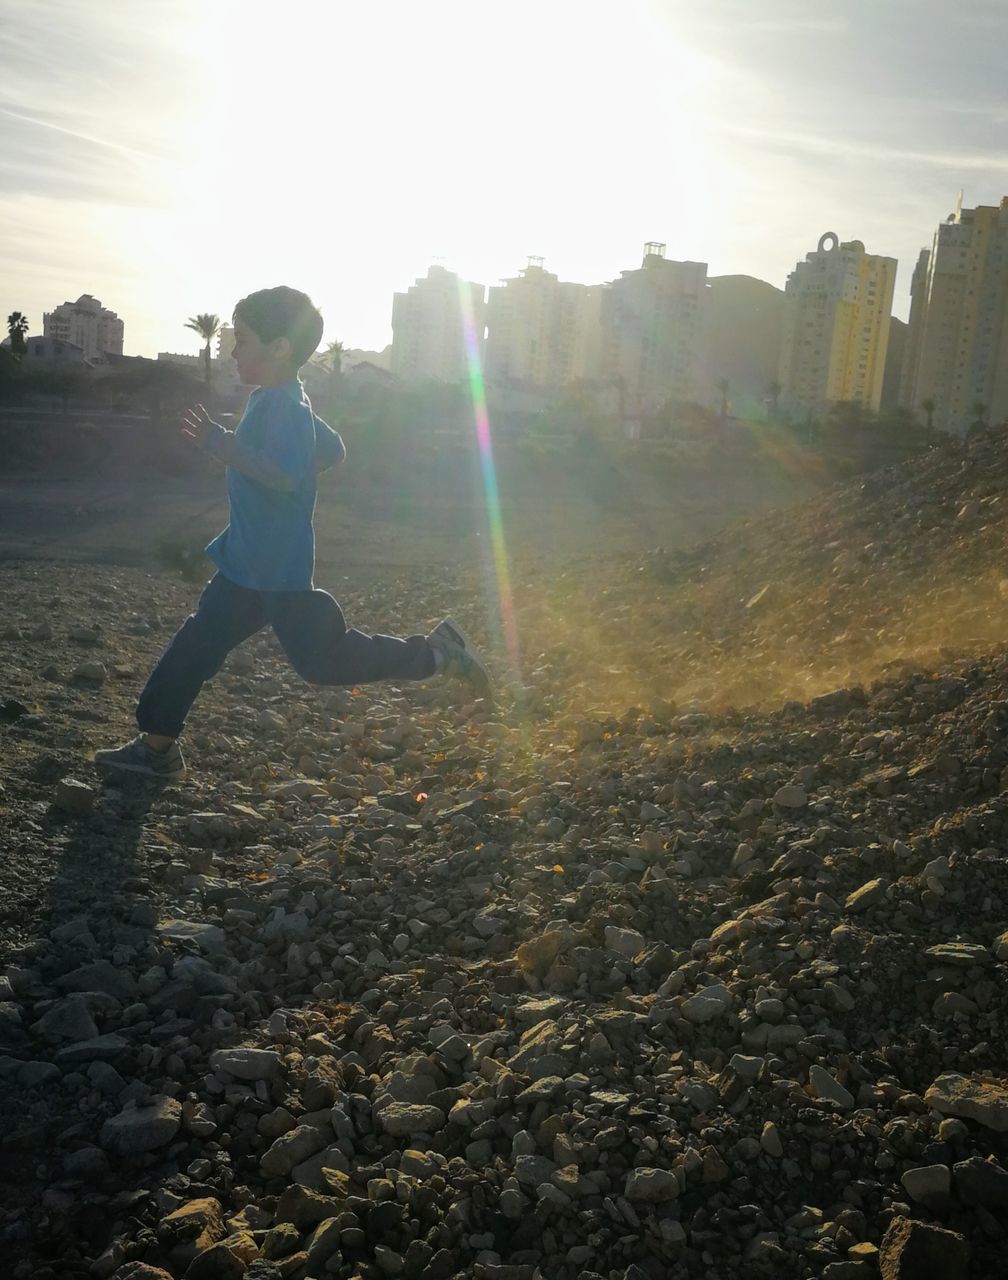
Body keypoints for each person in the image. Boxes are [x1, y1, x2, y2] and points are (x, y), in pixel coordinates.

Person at [95, 285, 489, 782]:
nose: (234, 350)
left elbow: (284, 472)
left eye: (243, 340)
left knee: (323, 661)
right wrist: (279, 468)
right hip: (247, 565)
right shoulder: (284, 400)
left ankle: (436, 654)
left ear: (280, 347)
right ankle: (156, 750)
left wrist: (222, 444)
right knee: (194, 649)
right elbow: (333, 450)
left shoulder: (282, 405)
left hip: (276, 570)